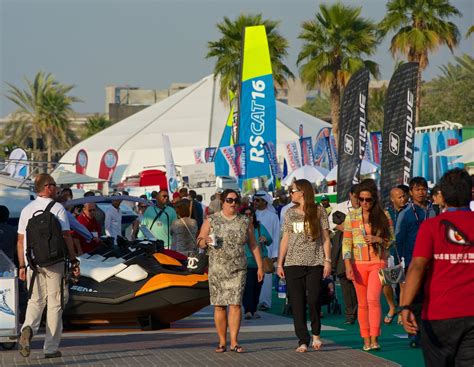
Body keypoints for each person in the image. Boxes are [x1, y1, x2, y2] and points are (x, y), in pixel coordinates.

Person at [400, 168, 474, 367]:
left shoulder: (432, 226)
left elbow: (417, 267)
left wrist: (405, 305)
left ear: (441, 194)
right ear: (471, 192)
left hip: (439, 314)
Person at [16, 174, 80, 359]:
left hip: (32, 264)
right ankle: (50, 348)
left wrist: (22, 265)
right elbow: (67, 236)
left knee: (35, 301)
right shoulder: (58, 208)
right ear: (47, 187)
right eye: (54, 186)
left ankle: (27, 329)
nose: (57, 189)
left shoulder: (27, 210)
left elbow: (20, 241)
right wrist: (74, 260)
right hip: (55, 263)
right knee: (55, 304)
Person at [197, 189, 263, 353]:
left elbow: (253, 244)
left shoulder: (245, 221)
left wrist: (260, 266)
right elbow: (199, 241)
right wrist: (205, 241)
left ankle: (234, 341)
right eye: (229, 200)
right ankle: (221, 341)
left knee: (235, 305)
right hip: (217, 269)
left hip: (238, 268)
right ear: (222, 201)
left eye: (236, 200)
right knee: (219, 306)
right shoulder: (211, 220)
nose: (233, 203)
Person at [277, 179, 331, 352]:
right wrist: (280, 263)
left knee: (314, 298)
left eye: (293, 191)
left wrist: (327, 260)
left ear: (303, 192)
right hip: (293, 263)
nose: (291, 194)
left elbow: (325, 238)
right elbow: (285, 239)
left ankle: (316, 334)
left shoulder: (319, 211)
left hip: (315, 262)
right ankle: (303, 339)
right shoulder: (289, 213)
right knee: (297, 302)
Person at [343, 179, 394, 351]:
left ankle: (374, 338)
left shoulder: (383, 215)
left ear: (374, 199)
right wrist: (348, 264)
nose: (365, 203)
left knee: (373, 299)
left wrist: (378, 239)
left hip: (377, 262)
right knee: (362, 303)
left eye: (368, 199)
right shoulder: (352, 216)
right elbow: (346, 242)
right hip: (358, 264)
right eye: (361, 199)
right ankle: (365, 338)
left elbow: (392, 240)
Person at [396, 176, 436, 347]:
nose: (421, 192)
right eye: (417, 189)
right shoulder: (405, 214)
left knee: (431, 298)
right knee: (415, 299)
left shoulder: (434, 210)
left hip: (433, 262)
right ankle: (415, 333)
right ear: (410, 192)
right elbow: (398, 239)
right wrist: (400, 263)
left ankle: (429, 332)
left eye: (424, 188)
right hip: (413, 262)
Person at [241, 207, 272, 320]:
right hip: (246, 262)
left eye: (251, 214)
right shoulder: (241, 228)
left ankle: (253, 310)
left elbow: (270, 240)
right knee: (248, 287)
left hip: (260, 263)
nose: (249, 216)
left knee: (257, 287)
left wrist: (265, 239)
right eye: (246, 214)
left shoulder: (259, 227)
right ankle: (248, 310)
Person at [383, 186, 408, 325]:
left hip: (404, 253)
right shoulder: (386, 213)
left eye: (404, 196)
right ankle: (392, 306)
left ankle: (401, 312)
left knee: (403, 284)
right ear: (392, 199)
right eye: (399, 197)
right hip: (390, 253)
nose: (403, 199)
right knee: (386, 283)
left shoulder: (410, 211)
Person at [253, 190, 280, 311]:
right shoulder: (251, 216)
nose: (255, 202)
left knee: (267, 279)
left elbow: (276, 236)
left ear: (265, 202)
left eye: (258, 200)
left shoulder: (273, 216)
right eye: (254, 200)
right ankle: (253, 302)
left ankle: (264, 302)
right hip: (252, 252)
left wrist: (275, 254)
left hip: (267, 252)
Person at [331, 210, 357, 325]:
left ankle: (351, 315)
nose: (337, 227)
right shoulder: (338, 235)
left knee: (349, 292)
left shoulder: (339, 235)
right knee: (349, 292)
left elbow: (335, 252)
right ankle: (352, 314)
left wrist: (333, 267)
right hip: (346, 267)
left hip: (346, 266)